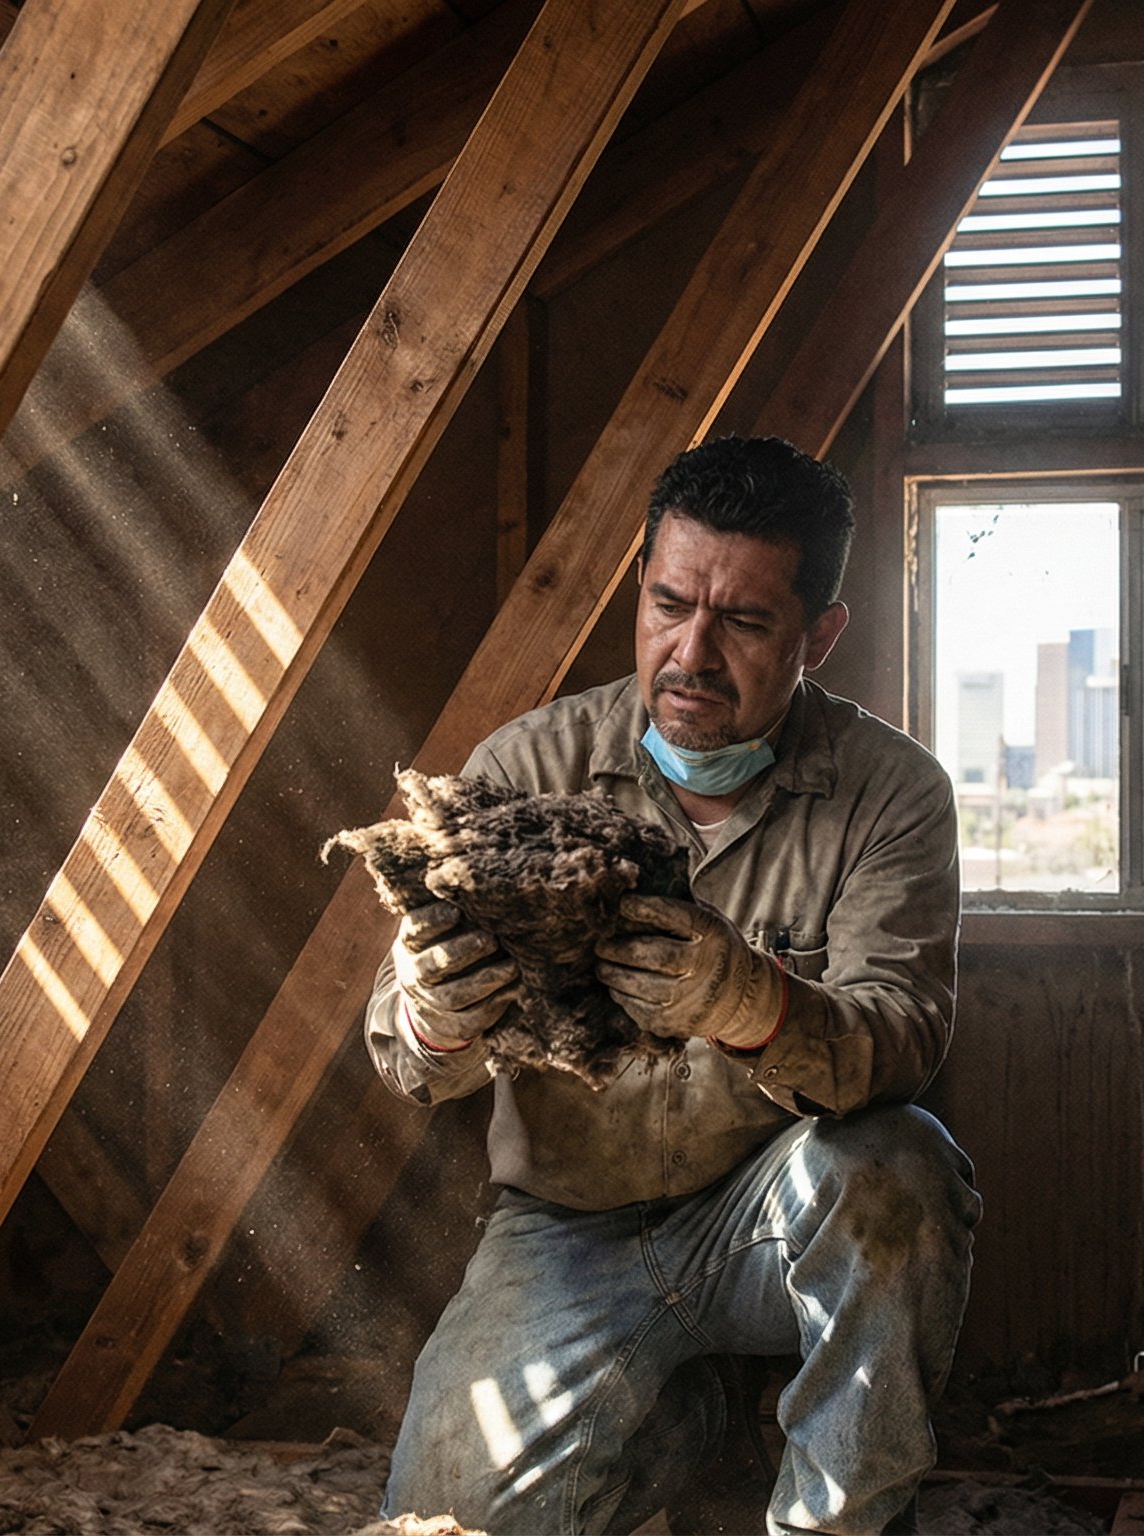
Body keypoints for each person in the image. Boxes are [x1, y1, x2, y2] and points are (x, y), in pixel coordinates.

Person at [367, 436, 976, 1535]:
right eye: (668, 603)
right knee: (449, 1517)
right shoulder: (523, 768)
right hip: (564, 1226)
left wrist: (750, 1003)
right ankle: (685, 1420)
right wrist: (431, 1011)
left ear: (817, 636)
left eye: (742, 622)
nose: (690, 652)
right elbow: (408, 1062)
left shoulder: (891, 793)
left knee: (897, 1167)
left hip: (771, 1211)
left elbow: (903, 1036)